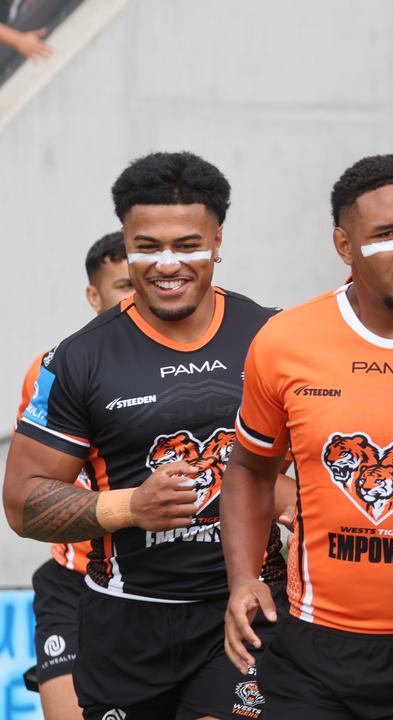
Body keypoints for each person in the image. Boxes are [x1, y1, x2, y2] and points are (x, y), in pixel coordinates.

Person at [3, 151, 286, 719]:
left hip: (243, 610)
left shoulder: (275, 336)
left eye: (187, 245)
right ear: (125, 243)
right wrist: (130, 506)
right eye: (147, 246)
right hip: (125, 619)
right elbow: (22, 504)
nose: (167, 264)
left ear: (218, 239)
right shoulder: (79, 358)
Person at [221, 154, 393, 718]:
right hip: (315, 649)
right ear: (344, 245)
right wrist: (243, 578)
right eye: (387, 233)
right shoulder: (285, 340)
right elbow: (249, 468)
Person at [15, 232, 131, 720]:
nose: (136, 296)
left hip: (165, 585)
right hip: (74, 581)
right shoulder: (55, 368)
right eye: (123, 284)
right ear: (94, 295)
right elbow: (30, 492)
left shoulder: (201, 369)